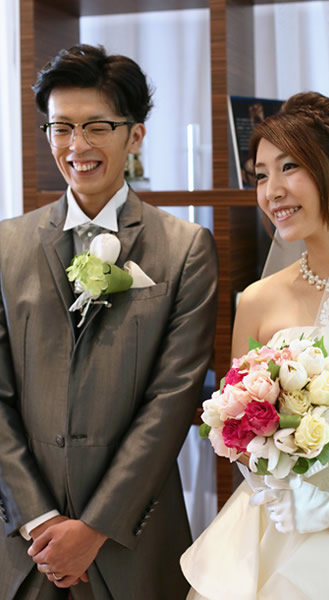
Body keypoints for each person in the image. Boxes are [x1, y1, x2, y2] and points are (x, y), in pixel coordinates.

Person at [0, 44, 218, 600]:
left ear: (135, 135)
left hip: (133, 543)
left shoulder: (186, 248)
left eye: (97, 127)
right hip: (25, 551)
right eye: (61, 128)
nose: (77, 146)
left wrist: (93, 528)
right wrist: (40, 520)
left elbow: (172, 401)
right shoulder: (5, 245)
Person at [180, 91, 329, 599]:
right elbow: (237, 429)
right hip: (279, 529)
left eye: (290, 166)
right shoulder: (258, 299)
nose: (272, 191)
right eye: (260, 175)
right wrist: (274, 484)